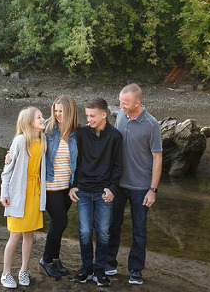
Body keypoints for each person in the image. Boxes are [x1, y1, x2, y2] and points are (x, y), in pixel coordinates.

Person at [106, 83, 162, 285]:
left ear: (137, 103)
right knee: (113, 225)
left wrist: (152, 190)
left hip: (140, 187)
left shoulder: (151, 124)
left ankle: (135, 270)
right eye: (120, 101)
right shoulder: (121, 115)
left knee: (139, 230)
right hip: (118, 184)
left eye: (125, 103)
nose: (121, 105)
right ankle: (109, 263)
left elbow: (157, 158)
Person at [69, 97, 122, 287]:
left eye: (92, 116)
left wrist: (113, 189)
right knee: (84, 232)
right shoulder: (81, 133)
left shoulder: (115, 136)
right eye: (87, 116)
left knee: (103, 233)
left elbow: (117, 167)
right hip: (83, 190)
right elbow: (75, 161)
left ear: (104, 115)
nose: (88, 119)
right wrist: (73, 185)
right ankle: (86, 268)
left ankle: (99, 270)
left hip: (103, 193)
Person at [0, 106, 47, 289]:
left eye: (42, 116)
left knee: (29, 234)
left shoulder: (43, 140)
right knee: (15, 234)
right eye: (38, 117)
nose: (42, 119)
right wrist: (4, 193)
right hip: (18, 193)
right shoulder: (20, 141)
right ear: (28, 123)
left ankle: (24, 270)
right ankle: (6, 273)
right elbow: (7, 171)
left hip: (34, 194)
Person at [38, 95, 79, 279]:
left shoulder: (77, 132)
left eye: (61, 111)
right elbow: (24, 138)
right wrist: (11, 155)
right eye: (55, 110)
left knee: (60, 223)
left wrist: (76, 185)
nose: (57, 114)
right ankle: (45, 260)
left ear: (70, 111)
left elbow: (81, 161)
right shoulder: (47, 128)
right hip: (49, 185)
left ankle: (55, 259)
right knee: (59, 221)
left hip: (66, 187)